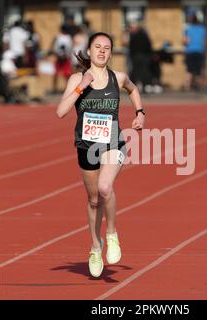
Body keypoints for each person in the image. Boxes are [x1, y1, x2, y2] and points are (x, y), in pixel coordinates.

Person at [56, 32, 145, 278]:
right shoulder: (76, 78)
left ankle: (112, 234)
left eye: (107, 47)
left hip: (113, 143)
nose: (102, 51)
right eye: (98, 46)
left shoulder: (119, 77)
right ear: (90, 50)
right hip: (87, 147)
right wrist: (80, 86)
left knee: (106, 188)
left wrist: (140, 112)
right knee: (94, 199)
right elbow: (61, 111)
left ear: (111, 52)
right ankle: (96, 247)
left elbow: (133, 90)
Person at [127, 20, 154, 93]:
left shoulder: (134, 36)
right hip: (143, 56)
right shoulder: (144, 35)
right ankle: (143, 86)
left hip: (138, 56)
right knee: (142, 72)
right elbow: (149, 46)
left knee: (136, 72)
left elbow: (131, 47)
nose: (131, 29)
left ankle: (134, 87)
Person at [183, 13, 207, 91]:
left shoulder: (188, 29)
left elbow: (187, 41)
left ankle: (187, 87)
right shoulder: (203, 29)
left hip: (190, 51)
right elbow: (204, 42)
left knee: (189, 70)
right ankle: (201, 87)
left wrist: (184, 43)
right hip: (200, 51)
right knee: (199, 71)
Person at [52, 24, 73, 93]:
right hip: (60, 57)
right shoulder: (62, 37)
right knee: (56, 73)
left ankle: (66, 88)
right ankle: (55, 88)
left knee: (66, 74)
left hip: (64, 58)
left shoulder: (62, 37)